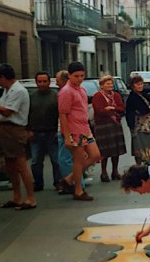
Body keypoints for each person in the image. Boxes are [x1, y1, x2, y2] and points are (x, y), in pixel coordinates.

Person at [0, 63, 37, 210]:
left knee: (21, 164)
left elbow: (7, 111)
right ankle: (17, 197)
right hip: (5, 129)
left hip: (14, 129)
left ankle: (30, 198)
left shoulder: (18, 91)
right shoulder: (6, 90)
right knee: (10, 165)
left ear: (3, 77)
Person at [58, 62, 101, 201]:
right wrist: (67, 136)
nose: (80, 78)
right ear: (69, 76)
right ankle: (78, 190)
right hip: (75, 130)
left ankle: (69, 179)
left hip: (85, 129)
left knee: (95, 155)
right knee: (78, 160)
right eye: (76, 76)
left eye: (82, 75)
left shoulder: (81, 90)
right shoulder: (66, 91)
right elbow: (63, 114)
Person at [28, 71, 60, 192]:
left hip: (51, 133)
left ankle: (58, 182)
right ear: (36, 82)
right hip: (35, 133)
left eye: (44, 81)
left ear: (49, 82)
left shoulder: (55, 96)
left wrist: (58, 130)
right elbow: (26, 114)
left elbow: (60, 115)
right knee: (36, 161)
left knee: (56, 160)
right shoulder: (31, 96)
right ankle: (38, 183)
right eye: (39, 81)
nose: (42, 84)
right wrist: (28, 130)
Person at [92, 75, 126, 182]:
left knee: (116, 150)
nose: (110, 85)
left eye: (111, 83)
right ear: (101, 85)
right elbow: (99, 110)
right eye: (107, 83)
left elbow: (121, 108)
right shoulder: (97, 96)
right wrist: (112, 111)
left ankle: (115, 171)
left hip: (115, 124)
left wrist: (111, 108)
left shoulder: (116, 95)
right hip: (103, 125)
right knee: (104, 150)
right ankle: (103, 172)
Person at [55, 70, 79, 194]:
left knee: (65, 160)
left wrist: (66, 134)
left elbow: (63, 114)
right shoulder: (75, 91)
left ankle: (71, 183)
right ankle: (77, 184)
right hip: (76, 130)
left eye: (57, 81)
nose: (55, 83)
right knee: (75, 159)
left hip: (70, 130)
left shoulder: (66, 92)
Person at [125, 75, 150, 165]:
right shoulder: (132, 97)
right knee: (139, 148)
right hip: (139, 126)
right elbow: (143, 110)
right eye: (137, 84)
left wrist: (149, 110)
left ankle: (149, 165)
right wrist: (148, 110)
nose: (140, 86)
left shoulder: (144, 95)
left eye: (141, 84)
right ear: (133, 86)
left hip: (148, 125)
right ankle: (139, 167)